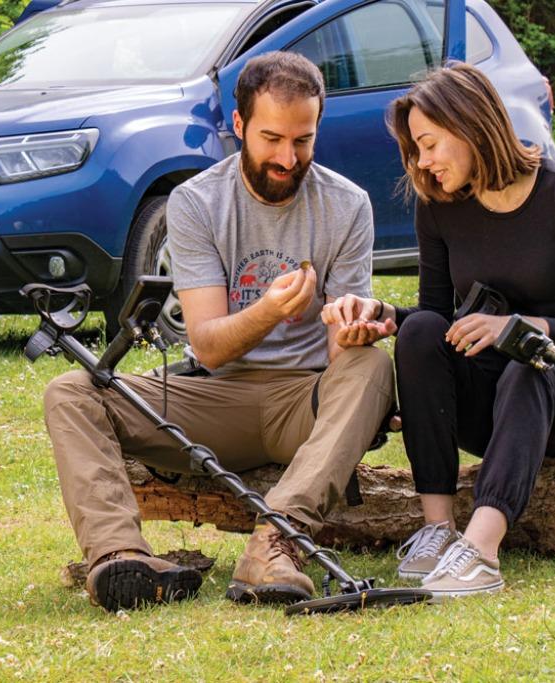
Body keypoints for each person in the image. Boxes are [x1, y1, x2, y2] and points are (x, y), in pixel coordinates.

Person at [42, 52, 394, 612]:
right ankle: (118, 558)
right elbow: (206, 343)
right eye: (272, 139)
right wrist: (271, 310)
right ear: (238, 126)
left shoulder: (348, 205)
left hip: (303, 399)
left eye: (303, 141)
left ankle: (276, 544)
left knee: (373, 365)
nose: (287, 158)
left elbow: (340, 358)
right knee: (71, 391)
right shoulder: (195, 202)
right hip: (214, 394)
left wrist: (351, 328)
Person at [322, 63, 555, 601]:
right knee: (420, 335)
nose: (424, 162)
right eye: (416, 149)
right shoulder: (439, 208)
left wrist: (517, 327)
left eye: (431, 144)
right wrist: (384, 316)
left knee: (528, 362)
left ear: (470, 125)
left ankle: (481, 552)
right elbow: (436, 317)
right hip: (488, 411)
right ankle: (438, 530)